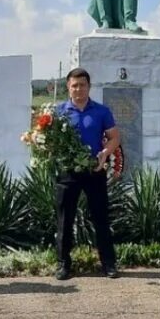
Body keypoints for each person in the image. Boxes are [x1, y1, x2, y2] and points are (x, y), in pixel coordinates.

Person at [54, 68, 121, 280]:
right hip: (69, 172)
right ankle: (63, 264)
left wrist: (105, 153)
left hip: (94, 170)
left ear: (89, 87)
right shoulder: (59, 112)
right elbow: (49, 141)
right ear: (68, 87)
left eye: (82, 85)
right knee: (65, 219)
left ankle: (108, 263)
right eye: (74, 85)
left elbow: (114, 138)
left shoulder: (101, 111)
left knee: (101, 217)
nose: (78, 89)